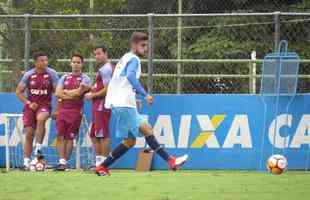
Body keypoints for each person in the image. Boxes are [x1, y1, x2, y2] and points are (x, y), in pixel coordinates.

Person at [96, 32, 188, 176]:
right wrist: (144, 95)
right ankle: (171, 161)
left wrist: (134, 98)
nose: (145, 49)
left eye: (147, 46)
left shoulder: (124, 58)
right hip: (124, 104)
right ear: (134, 44)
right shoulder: (134, 59)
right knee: (147, 129)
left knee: (130, 141)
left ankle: (102, 167)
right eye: (143, 45)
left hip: (119, 103)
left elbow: (120, 81)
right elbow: (130, 76)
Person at [16, 52, 59, 170]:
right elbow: (18, 92)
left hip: (45, 105)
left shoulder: (52, 73)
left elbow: (58, 92)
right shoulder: (28, 75)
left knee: (41, 119)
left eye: (46, 60)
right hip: (31, 106)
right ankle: (26, 162)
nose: (45, 63)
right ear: (36, 62)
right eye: (42, 61)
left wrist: (57, 109)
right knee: (29, 133)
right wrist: (29, 103)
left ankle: (38, 149)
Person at [54, 54, 91, 170]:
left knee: (69, 137)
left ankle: (65, 162)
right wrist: (71, 95)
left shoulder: (85, 78)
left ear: (82, 64)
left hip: (76, 112)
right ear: (70, 63)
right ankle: (61, 162)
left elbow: (79, 93)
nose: (75, 64)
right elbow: (57, 93)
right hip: (62, 110)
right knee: (60, 136)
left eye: (78, 62)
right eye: (74, 62)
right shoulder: (64, 77)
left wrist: (66, 93)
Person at [84, 45, 113, 169]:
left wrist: (92, 95)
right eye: (95, 54)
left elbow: (108, 89)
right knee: (94, 134)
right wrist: (90, 89)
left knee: (103, 134)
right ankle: (98, 162)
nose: (97, 56)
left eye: (99, 53)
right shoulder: (102, 68)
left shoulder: (106, 69)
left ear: (106, 53)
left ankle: (104, 164)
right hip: (97, 104)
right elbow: (101, 87)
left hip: (102, 104)